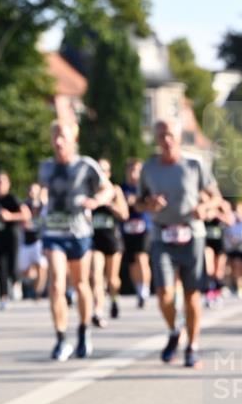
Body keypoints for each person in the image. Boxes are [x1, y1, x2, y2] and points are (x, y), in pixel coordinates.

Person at [137, 118, 218, 367]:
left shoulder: (195, 165)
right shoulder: (149, 168)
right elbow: (139, 203)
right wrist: (150, 205)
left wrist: (205, 208)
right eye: (161, 135)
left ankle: (192, 347)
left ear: (179, 136)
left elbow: (216, 198)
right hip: (162, 234)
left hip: (192, 234)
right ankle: (174, 330)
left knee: (192, 295)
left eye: (171, 135)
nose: (167, 140)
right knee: (164, 294)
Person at [39, 120, 114, 361]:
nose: (59, 141)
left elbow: (108, 190)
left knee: (81, 283)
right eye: (55, 137)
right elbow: (41, 191)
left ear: (74, 138)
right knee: (56, 284)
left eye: (63, 136)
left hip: (79, 233)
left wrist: (97, 201)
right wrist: (36, 197)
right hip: (53, 233)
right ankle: (61, 338)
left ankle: (83, 331)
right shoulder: (46, 167)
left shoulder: (86, 165)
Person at [91, 158, 129, 326]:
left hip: (112, 239)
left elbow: (124, 214)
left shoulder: (115, 190)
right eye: (99, 170)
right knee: (96, 276)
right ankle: (98, 311)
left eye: (104, 170)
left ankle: (113, 298)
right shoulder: (90, 191)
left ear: (109, 173)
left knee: (112, 278)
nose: (102, 174)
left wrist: (109, 204)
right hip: (94, 239)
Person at [0, 171, 29, 310]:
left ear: (8, 184)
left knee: (13, 265)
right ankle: (3, 297)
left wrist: (10, 216)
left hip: (12, 236)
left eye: (2, 182)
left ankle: (16, 282)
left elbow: (26, 215)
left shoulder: (12, 199)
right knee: (1, 267)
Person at [121, 158, 152, 308]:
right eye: (131, 170)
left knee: (142, 258)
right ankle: (138, 289)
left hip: (144, 228)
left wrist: (140, 202)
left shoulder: (146, 188)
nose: (134, 174)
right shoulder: (122, 188)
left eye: (137, 171)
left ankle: (145, 289)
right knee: (132, 263)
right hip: (127, 229)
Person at [18, 181, 48, 300]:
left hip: (39, 241)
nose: (32, 192)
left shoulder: (44, 206)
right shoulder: (24, 205)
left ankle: (37, 292)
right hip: (26, 242)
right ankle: (30, 285)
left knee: (42, 266)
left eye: (35, 190)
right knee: (26, 272)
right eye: (30, 190)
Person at [223, 201, 242, 298]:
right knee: (234, 266)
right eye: (237, 209)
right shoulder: (232, 219)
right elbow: (227, 231)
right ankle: (238, 287)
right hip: (233, 247)